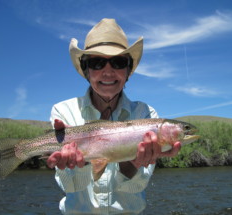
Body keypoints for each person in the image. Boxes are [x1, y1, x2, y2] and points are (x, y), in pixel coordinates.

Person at [47, 18, 181, 215]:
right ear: (86, 70)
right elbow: (71, 186)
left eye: (118, 62)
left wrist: (133, 163)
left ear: (128, 71)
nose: (108, 71)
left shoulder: (146, 115)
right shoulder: (63, 111)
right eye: (97, 62)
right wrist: (79, 164)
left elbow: (134, 188)